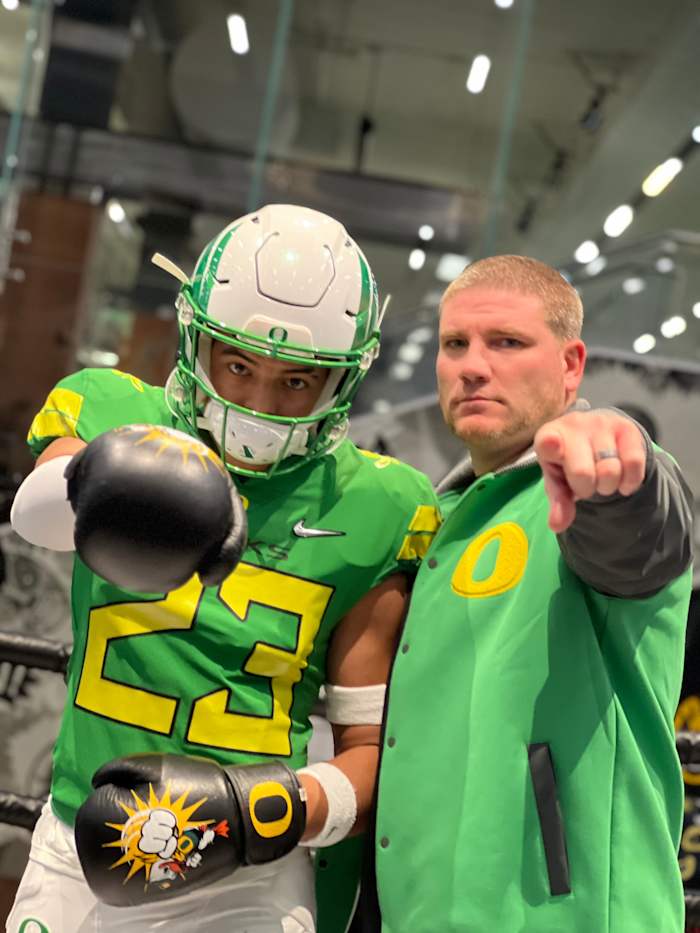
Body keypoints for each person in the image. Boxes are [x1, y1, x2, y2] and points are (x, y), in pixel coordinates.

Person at [6, 204, 440, 933]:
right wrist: (138, 480)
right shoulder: (115, 409)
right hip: (83, 841)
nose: (259, 402)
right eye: (237, 364)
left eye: (297, 381)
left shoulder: (379, 505)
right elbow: (38, 515)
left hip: (250, 869)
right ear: (195, 341)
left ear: (342, 381)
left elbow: (370, 751)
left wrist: (268, 808)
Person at [371, 255, 695, 932]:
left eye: (507, 342)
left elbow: (639, 532)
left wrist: (613, 453)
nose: (472, 365)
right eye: (455, 343)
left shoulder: (594, 490)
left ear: (571, 366)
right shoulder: (441, 519)